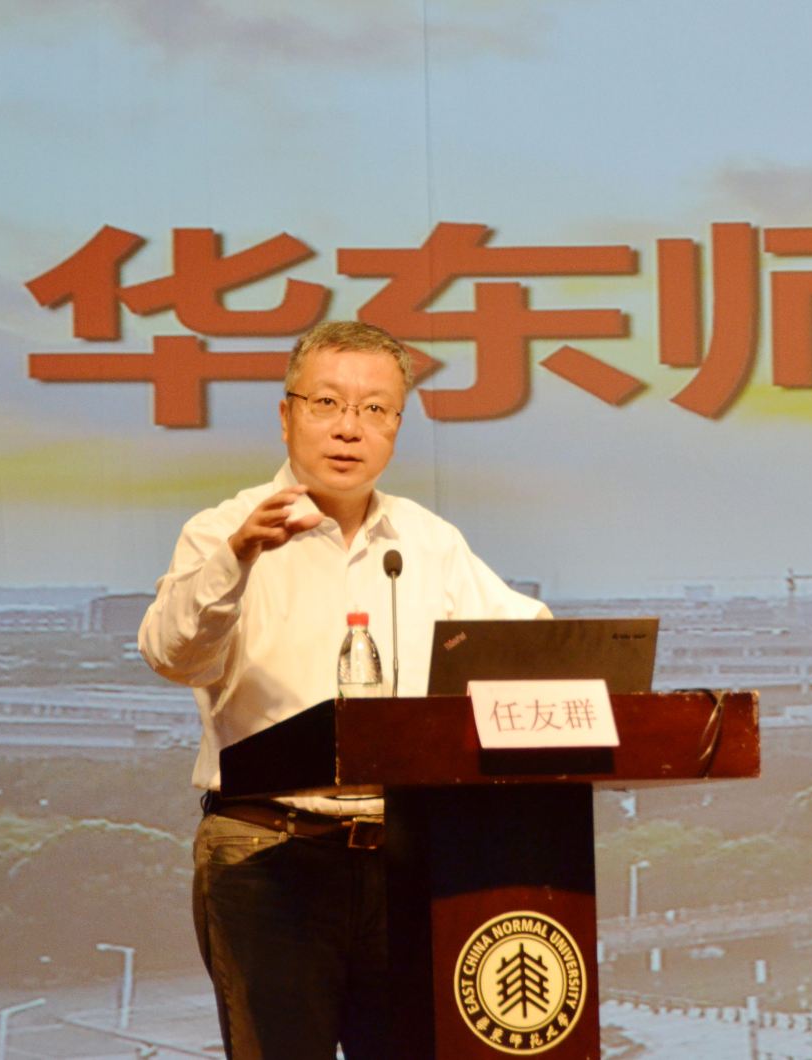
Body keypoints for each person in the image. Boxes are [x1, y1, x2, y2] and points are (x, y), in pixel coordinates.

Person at [138, 321, 548, 1059]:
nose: (349, 428)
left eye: (374, 409)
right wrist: (237, 559)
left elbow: (527, 643)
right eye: (327, 402)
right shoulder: (223, 531)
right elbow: (173, 655)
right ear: (286, 414)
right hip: (270, 853)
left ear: (397, 426)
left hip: (408, 856)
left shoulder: (428, 541)